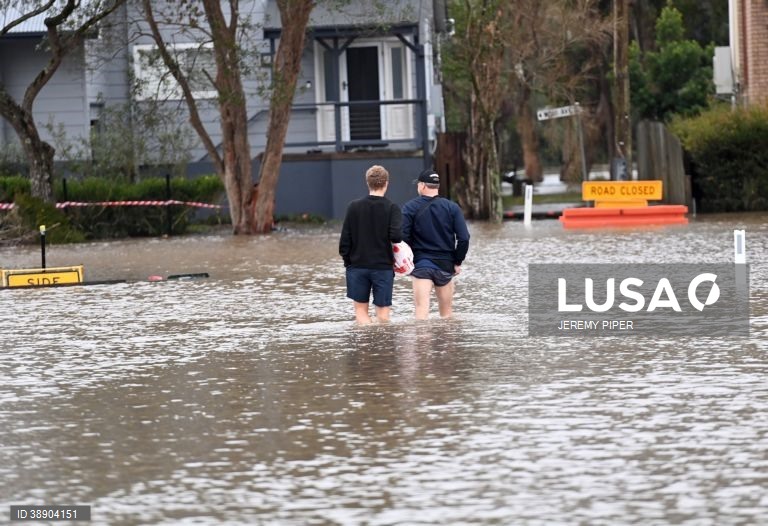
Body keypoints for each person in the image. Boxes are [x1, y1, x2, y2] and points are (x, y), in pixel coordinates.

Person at [401, 168, 470, 319]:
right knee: (447, 315)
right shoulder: (452, 207)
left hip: (421, 265)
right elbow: (464, 238)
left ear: (422, 185)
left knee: (421, 312)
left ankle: (423, 336)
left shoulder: (410, 207)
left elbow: (403, 237)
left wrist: (408, 260)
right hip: (445, 266)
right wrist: (457, 262)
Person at [339, 165, 403, 324]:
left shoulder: (353, 206)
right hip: (383, 267)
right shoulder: (392, 208)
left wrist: (348, 262)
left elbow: (345, 241)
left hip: (357, 266)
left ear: (367, 183)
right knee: (383, 316)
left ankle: (366, 340)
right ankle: (381, 340)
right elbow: (396, 237)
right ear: (386, 183)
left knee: (361, 313)